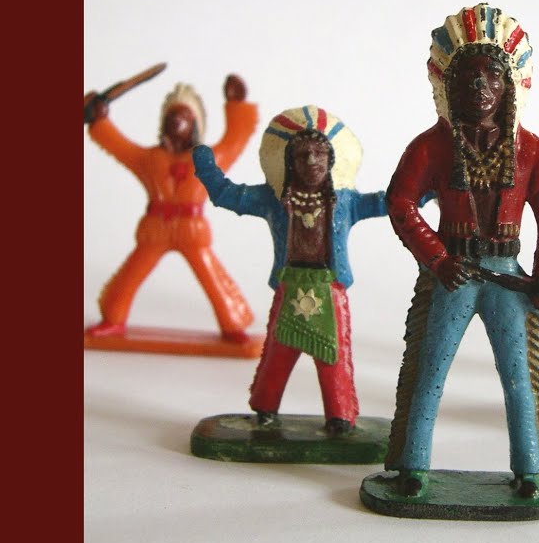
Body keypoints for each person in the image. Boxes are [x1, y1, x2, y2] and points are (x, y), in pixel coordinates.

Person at [383, 2, 539, 499]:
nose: (479, 87)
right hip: (455, 273)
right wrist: (438, 259)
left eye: (492, 77)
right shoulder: (431, 146)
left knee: (518, 375)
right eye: (466, 77)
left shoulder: (533, 151)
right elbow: (399, 202)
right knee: (430, 369)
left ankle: (529, 469)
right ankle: (413, 465)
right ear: (448, 86)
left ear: (509, 87)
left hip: (507, 274)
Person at [193, 106, 385, 435]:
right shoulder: (273, 199)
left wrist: (426, 188)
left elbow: (387, 202)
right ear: (289, 162)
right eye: (302, 155)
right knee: (277, 353)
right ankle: (265, 408)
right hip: (290, 284)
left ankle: (340, 415)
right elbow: (227, 195)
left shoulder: (345, 201)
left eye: (319, 154)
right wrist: (204, 162)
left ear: (332, 160)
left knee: (334, 356)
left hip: (329, 288)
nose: (311, 161)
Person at [86, 75, 256, 337]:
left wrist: (236, 104)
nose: (177, 121)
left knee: (212, 277)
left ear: (195, 124)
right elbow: (119, 146)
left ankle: (233, 324)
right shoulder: (149, 159)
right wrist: (99, 120)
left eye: (185, 116)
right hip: (156, 229)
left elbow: (235, 139)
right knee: (130, 275)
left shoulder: (209, 159)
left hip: (192, 231)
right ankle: (113, 318)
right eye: (172, 116)